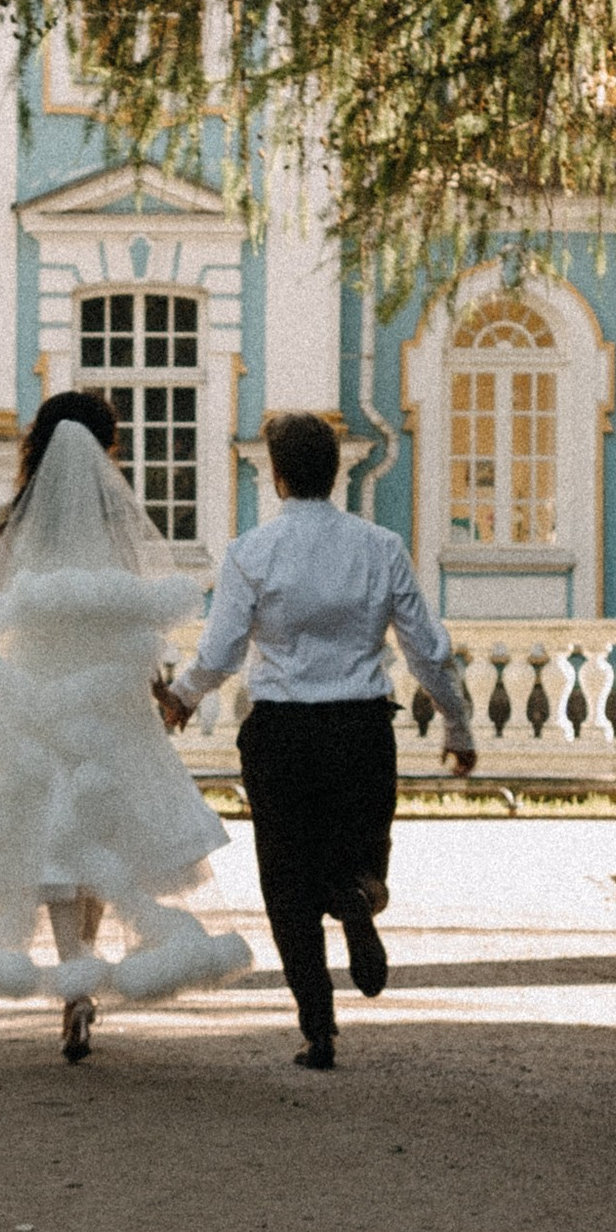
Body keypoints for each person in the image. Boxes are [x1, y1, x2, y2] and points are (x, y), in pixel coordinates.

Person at [0, 393, 251, 1062]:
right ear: (106, 448)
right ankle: (86, 968)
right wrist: (158, 685)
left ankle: (73, 974)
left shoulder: (10, 518)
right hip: (107, 698)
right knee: (102, 832)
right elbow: (134, 613)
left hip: (37, 696)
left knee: (48, 835)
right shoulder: (116, 517)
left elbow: (2, 605)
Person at [156, 410, 478, 1072]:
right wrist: (457, 722)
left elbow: (220, 652)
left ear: (277, 477)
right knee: (362, 854)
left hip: (281, 733)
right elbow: (426, 647)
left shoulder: (252, 552)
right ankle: (359, 899)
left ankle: (319, 1029)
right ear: (335, 473)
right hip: (361, 728)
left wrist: (183, 697)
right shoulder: (381, 547)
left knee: (287, 882)